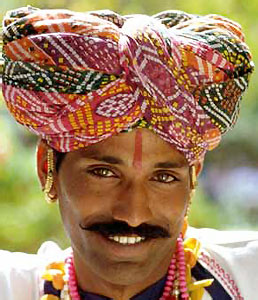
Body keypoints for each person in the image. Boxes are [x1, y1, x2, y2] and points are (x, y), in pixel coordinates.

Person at [0, 6, 257, 300]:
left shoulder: (248, 277)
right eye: (104, 173)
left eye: (163, 177)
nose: (133, 214)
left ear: (194, 174)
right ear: (48, 169)